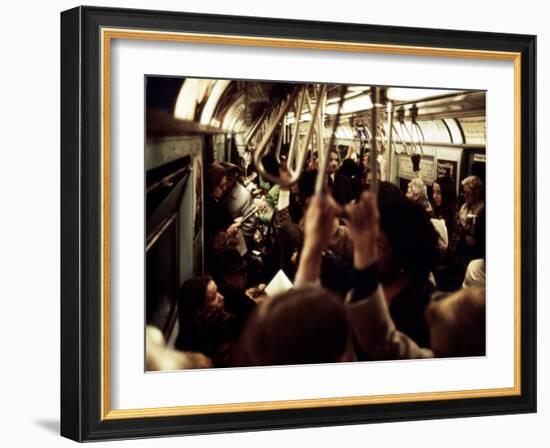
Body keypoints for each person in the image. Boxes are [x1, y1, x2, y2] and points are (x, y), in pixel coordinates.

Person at [175, 276, 239, 367]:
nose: (222, 297)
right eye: (213, 297)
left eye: (217, 291)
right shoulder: (202, 346)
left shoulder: (223, 321)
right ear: (197, 312)